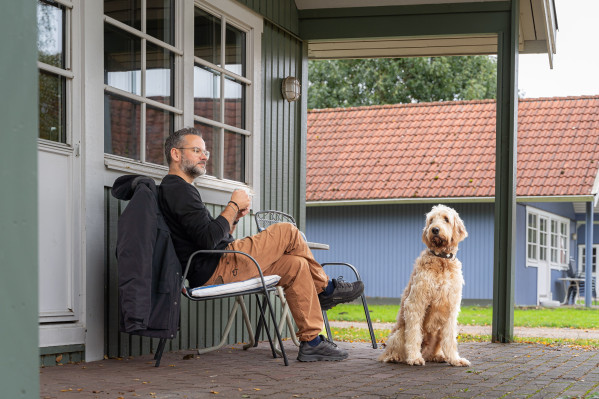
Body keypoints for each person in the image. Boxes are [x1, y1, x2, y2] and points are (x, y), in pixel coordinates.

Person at [158, 127, 364, 362]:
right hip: (217, 266)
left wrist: (234, 219)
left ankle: (312, 342)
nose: (204, 156)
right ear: (176, 154)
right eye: (197, 150)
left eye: (205, 151)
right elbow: (207, 240)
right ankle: (326, 289)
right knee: (286, 231)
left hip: (221, 261)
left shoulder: (182, 190)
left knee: (296, 265)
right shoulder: (177, 189)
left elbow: (208, 237)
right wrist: (233, 204)